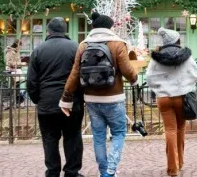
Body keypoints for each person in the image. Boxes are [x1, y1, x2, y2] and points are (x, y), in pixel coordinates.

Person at [60, 12, 138, 177]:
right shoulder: (117, 44)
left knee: (98, 136)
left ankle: (103, 171)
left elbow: (74, 74)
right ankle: (110, 171)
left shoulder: (83, 45)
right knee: (119, 133)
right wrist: (134, 79)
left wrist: (66, 98)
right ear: (110, 27)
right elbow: (127, 71)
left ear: (94, 27)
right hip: (114, 98)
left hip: (92, 99)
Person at [27, 18, 84, 177]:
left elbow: (31, 81)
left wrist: (37, 99)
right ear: (64, 31)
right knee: (72, 138)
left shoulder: (38, 50)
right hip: (71, 101)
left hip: (47, 102)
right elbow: (81, 75)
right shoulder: (75, 47)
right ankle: (72, 172)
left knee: (50, 140)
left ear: (48, 31)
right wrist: (79, 98)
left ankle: (52, 172)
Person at [145, 28, 197, 176]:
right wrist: (184, 86)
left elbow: (149, 78)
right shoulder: (186, 56)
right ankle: (180, 162)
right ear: (177, 40)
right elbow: (195, 75)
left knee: (170, 130)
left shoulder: (156, 58)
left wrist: (160, 89)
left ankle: (172, 168)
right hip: (182, 97)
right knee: (180, 129)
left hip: (163, 98)